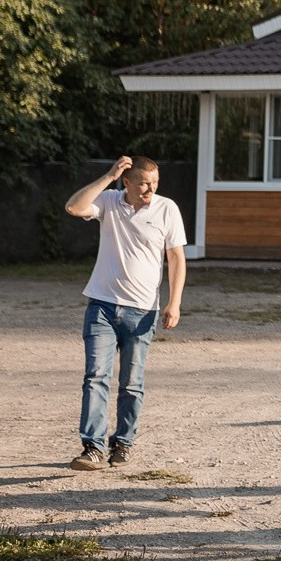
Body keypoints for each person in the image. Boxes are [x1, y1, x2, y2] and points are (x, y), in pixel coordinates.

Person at [63, 155, 187, 470]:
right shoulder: (108, 201)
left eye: (155, 183)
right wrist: (107, 176)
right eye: (144, 183)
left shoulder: (166, 209)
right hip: (101, 306)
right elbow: (74, 207)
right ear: (127, 182)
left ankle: (123, 443)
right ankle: (92, 447)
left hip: (142, 311)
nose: (150, 189)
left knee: (132, 383)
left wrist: (174, 303)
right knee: (95, 377)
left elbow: (175, 259)